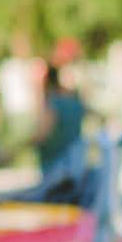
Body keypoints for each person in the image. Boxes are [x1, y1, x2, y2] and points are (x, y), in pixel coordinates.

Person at [29, 62, 91, 205]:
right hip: (76, 165)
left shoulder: (53, 104)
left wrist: (15, 149)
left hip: (56, 170)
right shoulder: (75, 102)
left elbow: (42, 135)